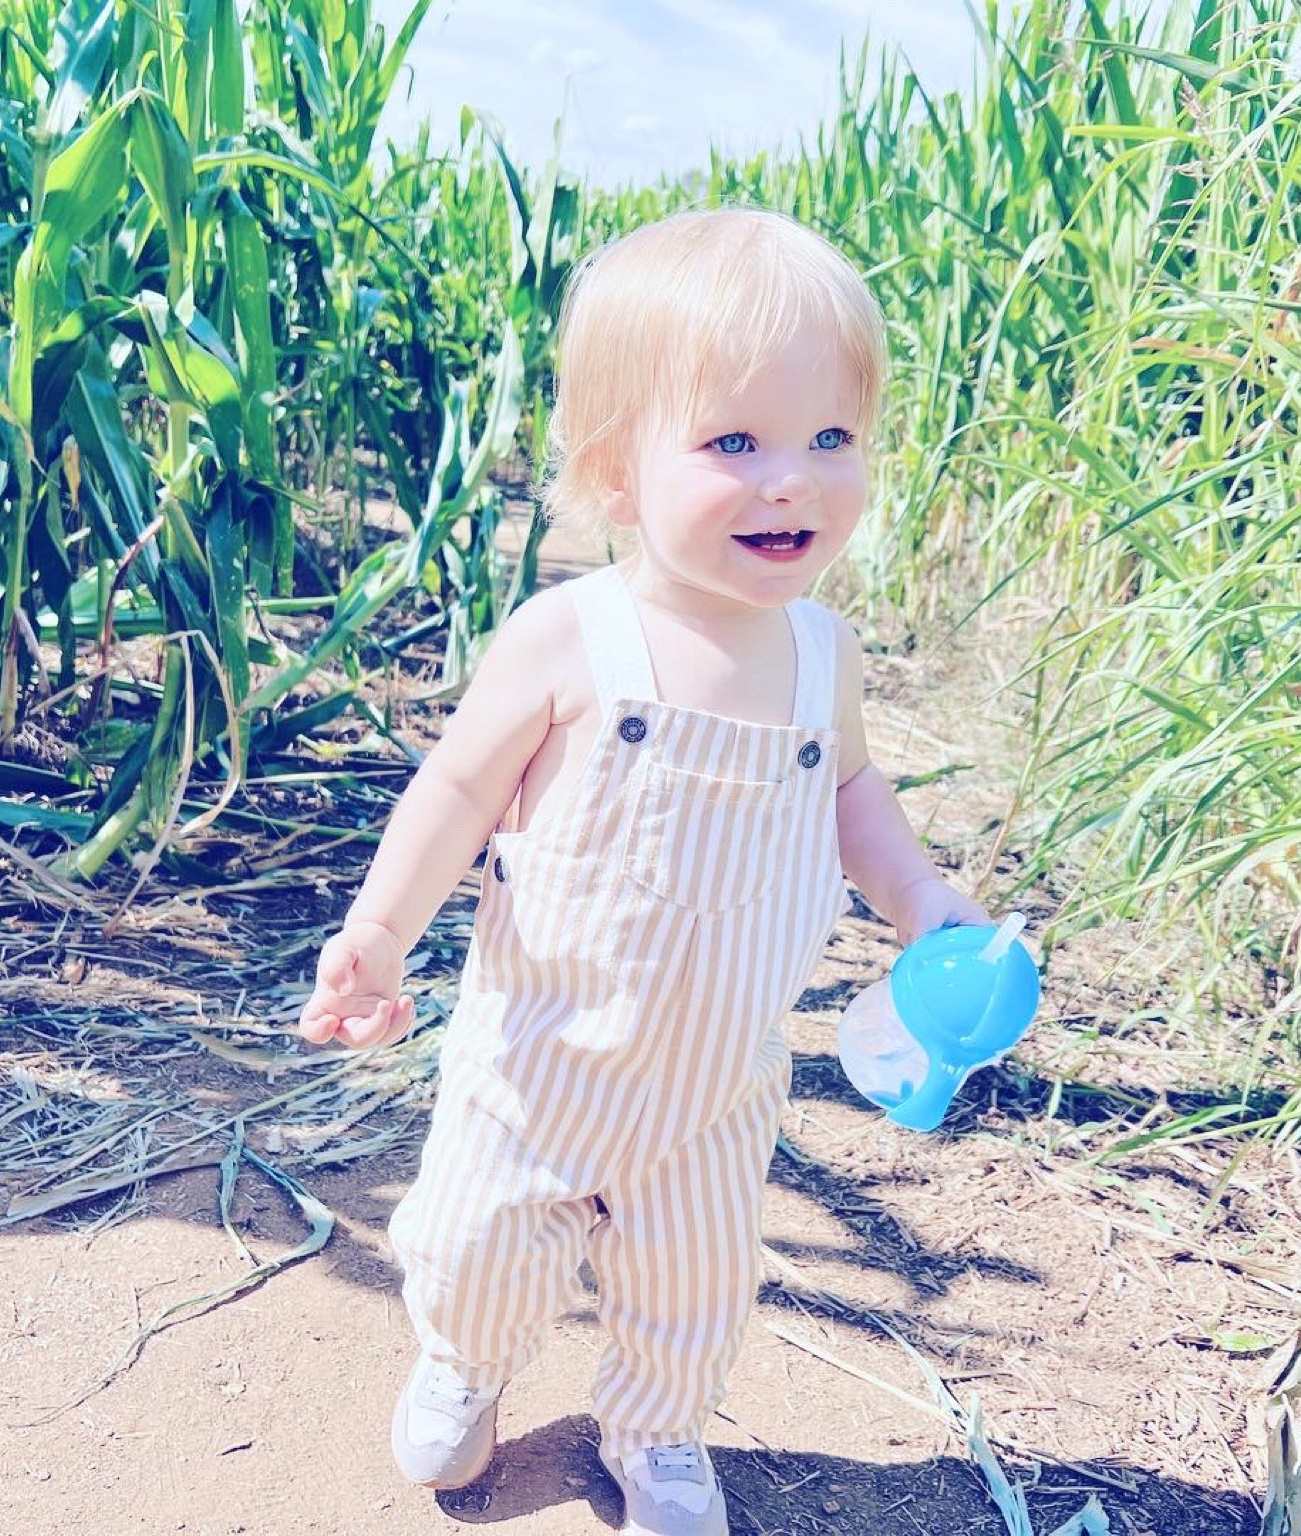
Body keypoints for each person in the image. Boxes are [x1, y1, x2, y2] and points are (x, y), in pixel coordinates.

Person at [296, 207, 991, 1536]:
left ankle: (656, 1429)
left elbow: (851, 796)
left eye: (830, 440)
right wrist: (382, 928)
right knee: (480, 1251)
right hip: (541, 1062)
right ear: (616, 474)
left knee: (696, 1284)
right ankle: (464, 1364)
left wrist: (918, 901)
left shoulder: (822, 657)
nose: (793, 480)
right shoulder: (573, 638)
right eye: (735, 442)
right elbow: (456, 790)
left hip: (717, 1079)